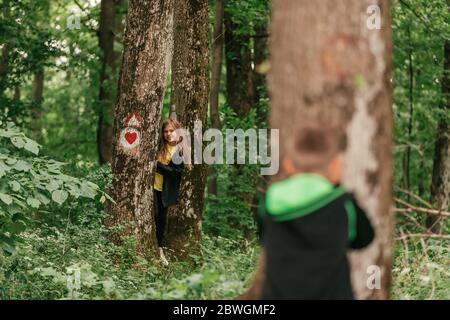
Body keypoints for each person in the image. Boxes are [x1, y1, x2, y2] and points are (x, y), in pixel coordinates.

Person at [253, 124, 375, 299]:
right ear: (335, 166)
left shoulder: (271, 202)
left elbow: (263, 237)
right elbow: (364, 239)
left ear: (288, 164)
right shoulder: (343, 205)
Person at [153, 118, 188, 266]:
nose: (168, 134)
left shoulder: (180, 150)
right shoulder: (158, 145)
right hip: (152, 187)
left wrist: (157, 165)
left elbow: (175, 173)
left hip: (164, 191)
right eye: (165, 131)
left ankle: (159, 249)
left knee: (160, 219)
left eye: (171, 131)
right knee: (153, 216)